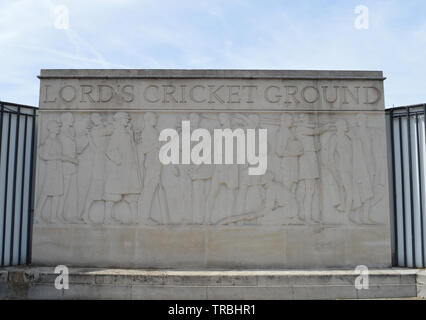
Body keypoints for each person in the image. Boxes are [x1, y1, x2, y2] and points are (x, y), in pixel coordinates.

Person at [104, 112, 141, 224]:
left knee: (133, 193)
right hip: (120, 169)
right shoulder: (118, 133)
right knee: (113, 193)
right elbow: (110, 150)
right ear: (119, 120)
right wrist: (119, 161)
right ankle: (107, 218)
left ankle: (135, 218)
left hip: (130, 168)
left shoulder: (125, 132)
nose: (128, 120)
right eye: (125, 118)